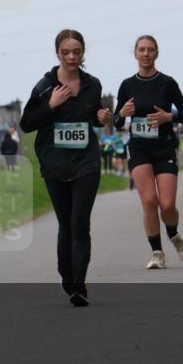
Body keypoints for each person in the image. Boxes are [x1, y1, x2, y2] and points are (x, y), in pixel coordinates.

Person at [20, 29, 109, 307]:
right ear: (57, 53)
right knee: (66, 224)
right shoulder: (45, 86)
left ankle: (79, 286)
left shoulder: (93, 84)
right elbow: (27, 124)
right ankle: (66, 274)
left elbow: (92, 118)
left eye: (77, 52)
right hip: (54, 162)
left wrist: (101, 118)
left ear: (83, 53)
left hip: (86, 161)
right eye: (66, 52)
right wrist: (51, 105)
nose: (71, 57)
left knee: (80, 223)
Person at [113, 35, 183, 271]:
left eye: (150, 50)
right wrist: (122, 113)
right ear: (135, 54)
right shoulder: (127, 85)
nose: (145, 54)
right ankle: (157, 252)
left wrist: (169, 117)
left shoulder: (167, 83)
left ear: (157, 53)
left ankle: (174, 235)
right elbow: (117, 122)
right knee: (149, 200)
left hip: (164, 146)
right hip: (139, 148)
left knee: (167, 205)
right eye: (141, 50)